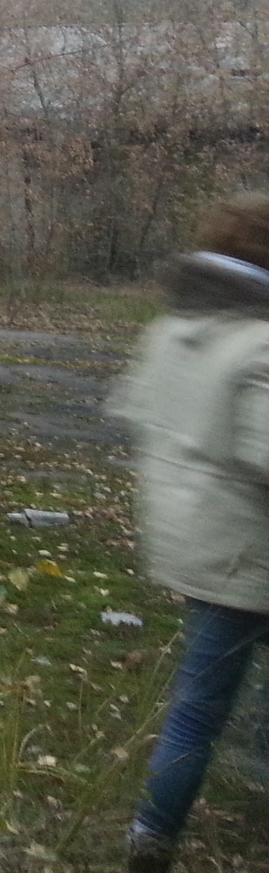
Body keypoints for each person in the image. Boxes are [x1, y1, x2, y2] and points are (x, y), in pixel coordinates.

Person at [110, 192, 269, 871]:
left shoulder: (171, 328)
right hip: (249, 553)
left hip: (193, 544)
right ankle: (154, 831)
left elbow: (135, 411)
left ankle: (152, 832)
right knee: (204, 704)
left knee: (202, 696)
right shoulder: (259, 343)